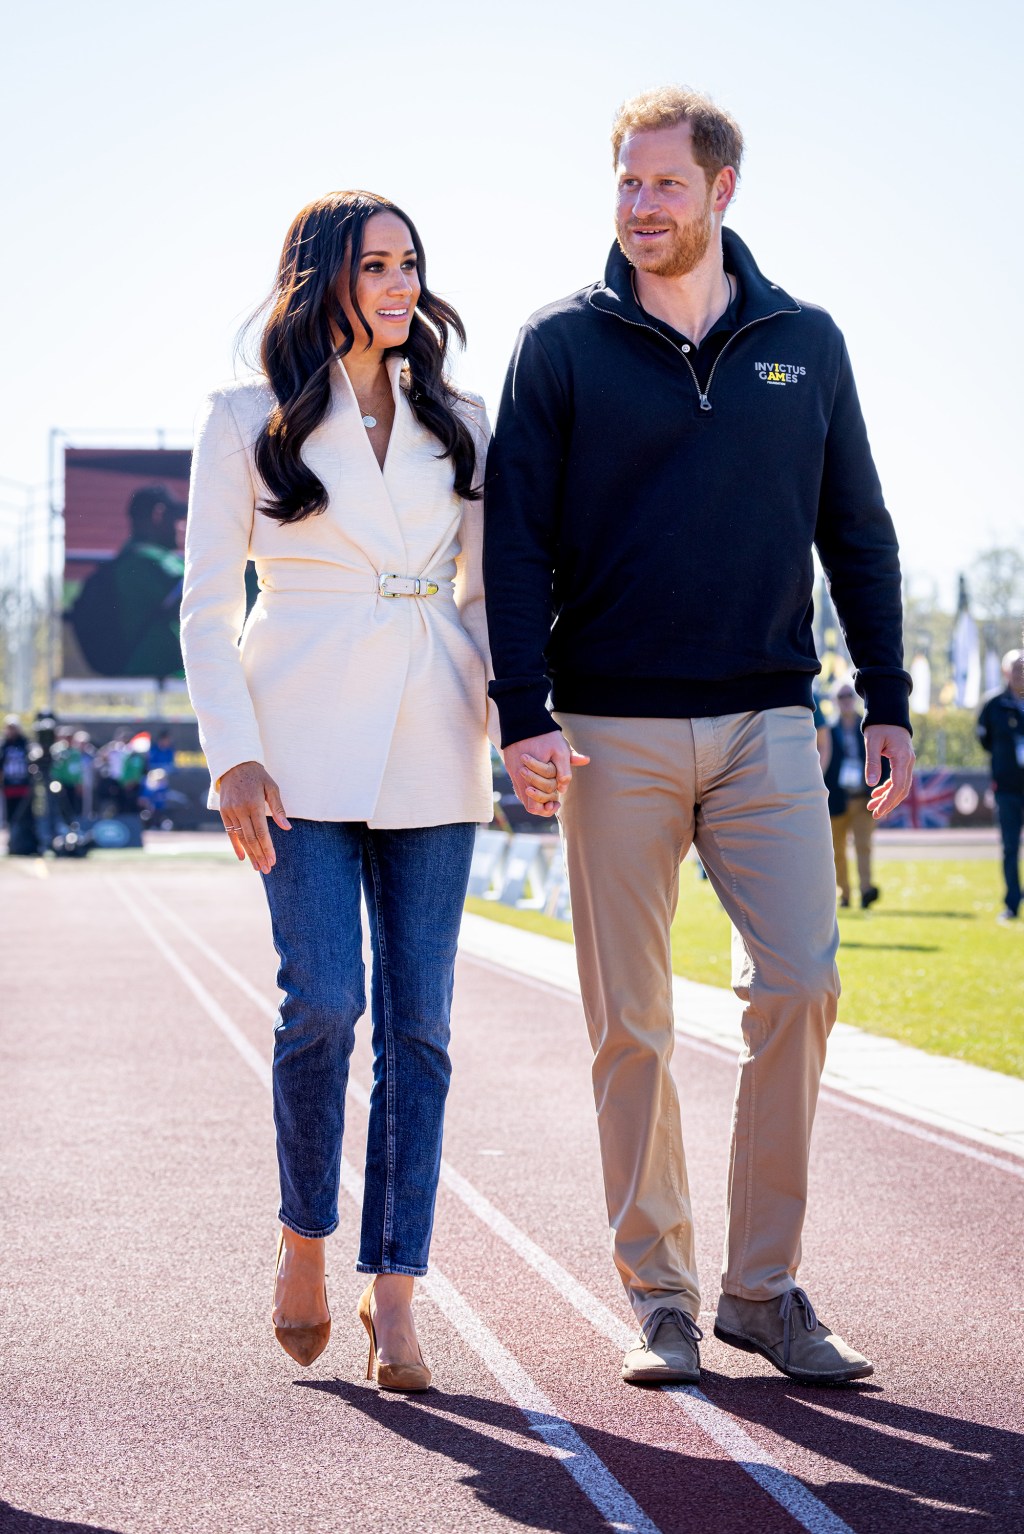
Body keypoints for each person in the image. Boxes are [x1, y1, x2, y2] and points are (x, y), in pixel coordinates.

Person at [484, 86, 914, 1387]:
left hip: (770, 719)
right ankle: (661, 1296)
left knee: (798, 985)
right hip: (608, 727)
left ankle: (762, 1290)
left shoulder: (807, 340)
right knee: (632, 1024)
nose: (641, 206)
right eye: (625, 183)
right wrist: (521, 710)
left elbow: (861, 529)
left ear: (723, 191)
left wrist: (887, 698)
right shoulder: (559, 344)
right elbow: (513, 537)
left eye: (665, 184)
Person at [181, 190, 508, 1389]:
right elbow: (207, 608)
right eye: (374, 263)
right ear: (320, 277)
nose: (398, 282)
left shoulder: (461, 417)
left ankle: (398, 1293)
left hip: (435, 733)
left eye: (410, 261)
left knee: (418, 1028)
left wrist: (507, 708)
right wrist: (232, 753)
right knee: (322, 1001)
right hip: (294, 744)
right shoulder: (245, 418)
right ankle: (304, 1244)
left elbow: (487, 592)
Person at [68, 486, 187, 678]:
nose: (182, 528)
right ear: (159, 514)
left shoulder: (125, 562)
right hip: (164, 681)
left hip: (137, 679)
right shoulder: (150, 560)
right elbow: (208, 592)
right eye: (178, 519)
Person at [824, 682, 882, 909]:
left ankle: (866, 891)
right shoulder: (828, 730)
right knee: (837, 850)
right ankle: (844, 894)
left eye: (849, 695)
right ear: (835, 701)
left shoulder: (867, 726)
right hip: (837, 798)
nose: (846, 699)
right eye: (841, 696)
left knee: (863, 846)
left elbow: (883, 759)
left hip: (862, 798)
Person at [977, 649, 1024, 922]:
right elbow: (984, 739)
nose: (1020, 674)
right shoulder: (993, 704)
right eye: (1016, 669)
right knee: (1009, 847)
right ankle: (1012, 902)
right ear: (1006, 672)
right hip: (1007, 786)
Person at [1, 716, 34, 853]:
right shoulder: (4, 745)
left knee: (25, 815)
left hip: (23, 787)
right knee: (10, 816)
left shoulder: (25, 744)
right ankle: (12, 842)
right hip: (9, 787)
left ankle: (26, 842)